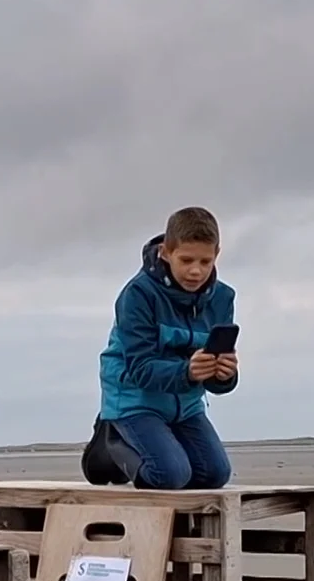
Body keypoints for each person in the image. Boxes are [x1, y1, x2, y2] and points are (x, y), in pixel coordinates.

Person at [90, 206, 239, 490]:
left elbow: (217, 382)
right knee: (170, 476)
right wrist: (187, 372)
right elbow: (140, 369)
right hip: (134, 399)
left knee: (215, 474)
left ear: (216, 255)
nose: (196, 271)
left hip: (186, 404)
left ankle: (158, 443)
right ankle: (112, 443)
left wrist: (224, 375)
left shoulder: (223, 297)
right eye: (186, 260)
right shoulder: (137, 294)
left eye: (205, 262)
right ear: (165, 252)